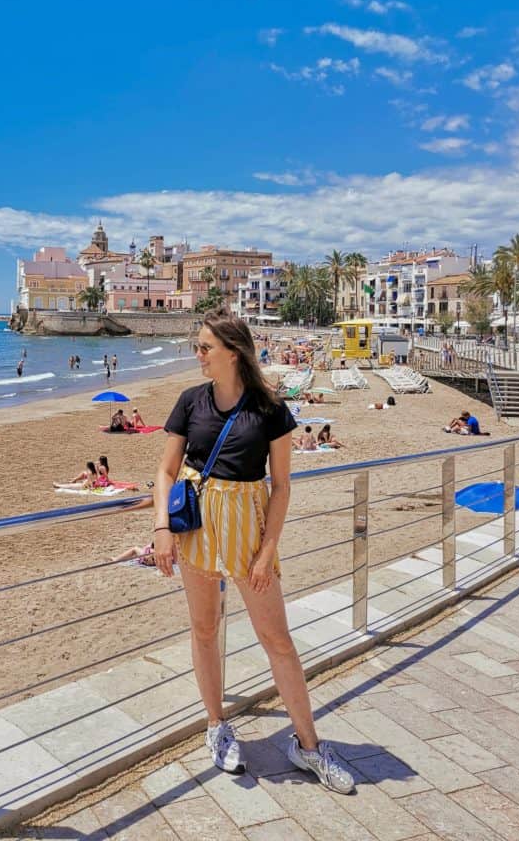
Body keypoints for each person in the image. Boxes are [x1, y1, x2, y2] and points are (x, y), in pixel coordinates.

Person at [153, 312, 355, 791]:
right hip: (197, 530)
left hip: (248, 532)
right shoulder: (189, 402)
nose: (197, 355)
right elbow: (165, 471)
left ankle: (307, 746)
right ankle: (216, 726)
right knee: (204, 629)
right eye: (197, 347)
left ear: (233, 351)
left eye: (205, 348)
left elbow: (281, 487)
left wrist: (267, 553)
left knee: (278, 640)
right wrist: (162, 526)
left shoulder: (269, 409)